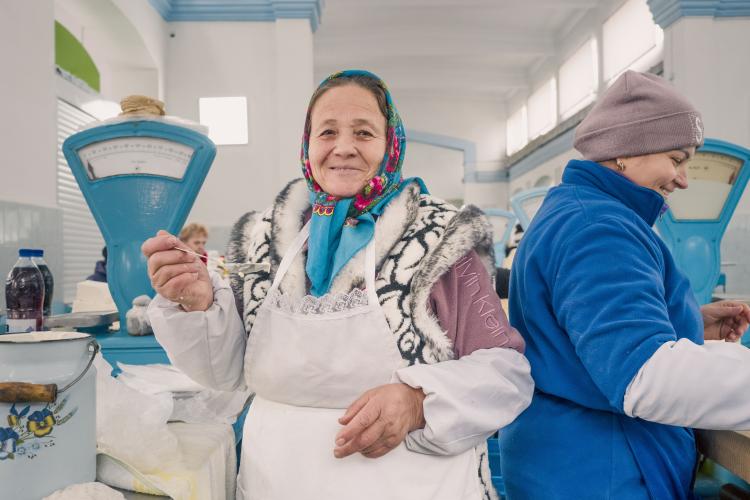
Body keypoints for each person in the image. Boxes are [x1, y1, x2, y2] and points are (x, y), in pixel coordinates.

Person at [142, 70, 533, 500]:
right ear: (307, 144)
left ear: (391, 143)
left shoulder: (441, 239)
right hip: (277, 483)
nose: (343, 147)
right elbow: (228, 371)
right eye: (327, 132)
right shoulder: (265, 238)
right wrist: (198, 304)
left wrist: (418, 402)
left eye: (363, 132)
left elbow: (505, 372)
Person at [499, 70, 750, 499]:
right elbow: (644, 376)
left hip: (575, 461)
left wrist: (685, 323)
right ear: (626, 153)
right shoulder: (599, 229)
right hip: (604, 471)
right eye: (676, 158)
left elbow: (584, 338)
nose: (683, 178)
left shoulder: (578, 210)